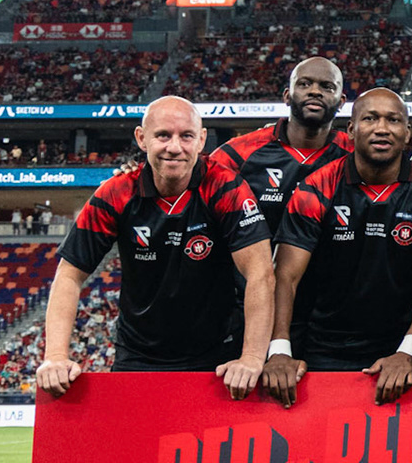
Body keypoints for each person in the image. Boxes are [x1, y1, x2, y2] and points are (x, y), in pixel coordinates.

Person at [36, 96, 273, 399]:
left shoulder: (226, 188)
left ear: (201, 140)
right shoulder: (116, 193)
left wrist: (251, 358)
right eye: (163, 135)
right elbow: (69, 274)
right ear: (141, 138)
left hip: (217, 358)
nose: (174, 147)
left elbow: (260, 272)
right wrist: (55, 354)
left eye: (186, 136)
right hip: (138, 356)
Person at [263, 88, 412, 407]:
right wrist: (280, 351)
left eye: (394, 120)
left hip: (401, 346)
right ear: (351, 129)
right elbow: (285, 277)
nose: (382, 128)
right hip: (325, 348)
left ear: (407, 132)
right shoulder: (317, 186)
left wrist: (408, 352)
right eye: (370, 118)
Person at [204, 57, 352, 234]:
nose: (314, 91)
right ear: (287, 96)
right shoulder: (238, 153)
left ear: (342, 101)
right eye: (304, 84)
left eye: (327, 87)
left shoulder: (356, 154)